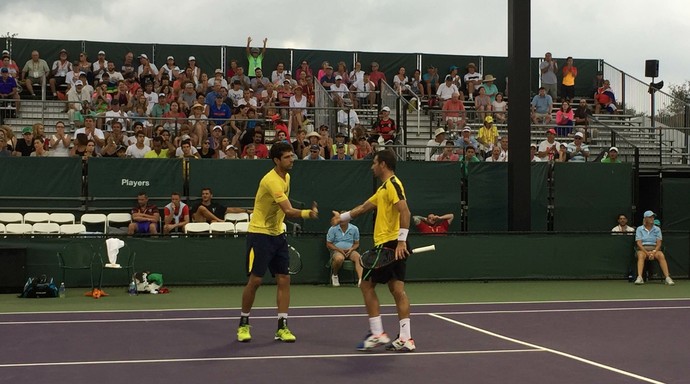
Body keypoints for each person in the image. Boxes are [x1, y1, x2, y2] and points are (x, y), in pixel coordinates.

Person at [331, 149, 415, 352]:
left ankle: (377, 333)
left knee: (366, 285)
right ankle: (406, 338)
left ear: (383, 164)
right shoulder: (383, 189)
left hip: (389, 245)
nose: (372, 166)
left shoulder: (394, 184)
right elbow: (362, 208)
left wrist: (401, 242)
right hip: (393, 245)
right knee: (397, 290)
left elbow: (405, 211)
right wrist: (341, 218)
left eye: (374, 162)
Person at [237, 142, 318, 343]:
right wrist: (308, 213)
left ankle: (282, 327)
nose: (292, 160)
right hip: (259, 234)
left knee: (284, 278)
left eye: (292, 156)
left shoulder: (287, 177)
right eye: (287, 157)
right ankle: (243, 324)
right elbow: (289, 210)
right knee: (255, 281)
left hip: (277, 234)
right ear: (276, 160)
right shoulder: (271, 180)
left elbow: (282, 212)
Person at [634, 211, 674, 285]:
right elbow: (639, 243)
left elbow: (659, 243)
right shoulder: (639, 229)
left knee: (661, 255)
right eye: (650, 217)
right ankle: (639, 277)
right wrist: (647, 253)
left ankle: (667, 277)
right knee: (641, 255)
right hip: (643, 249)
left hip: (655, 249)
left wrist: (654, 252)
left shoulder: (657, 229)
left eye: (653, 217)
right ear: (645, 219)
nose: (652, 218)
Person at [326, 218, 363, 287]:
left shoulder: (354, 228)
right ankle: (335, 275)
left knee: (358, 257)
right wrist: (339, 250)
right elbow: (329, 244)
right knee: (339, 259)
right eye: (340, 219)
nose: (342, 221)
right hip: (337, 251)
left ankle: (361, 280)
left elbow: (356, 243)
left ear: (348, 220)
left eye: (344, 219)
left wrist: (351, 249)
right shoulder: (333, 228)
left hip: (350, 251)